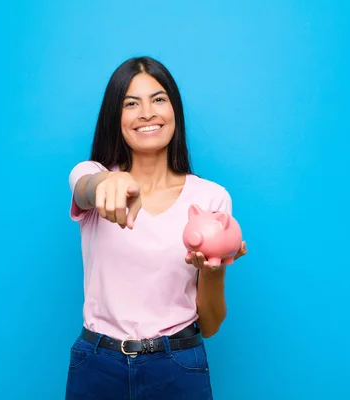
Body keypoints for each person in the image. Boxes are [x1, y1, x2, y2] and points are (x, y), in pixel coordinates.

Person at [65, 56, 247, 400]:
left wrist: (212, 272)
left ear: (174, 110)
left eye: (158, 99)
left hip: (177, 364)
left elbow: (209, 325)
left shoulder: (211, 198)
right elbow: (85, 185)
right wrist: (108, 183)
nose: (147, 113)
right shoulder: (94, 177)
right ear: (114, 118)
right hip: (97, 365)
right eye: (131, 104)